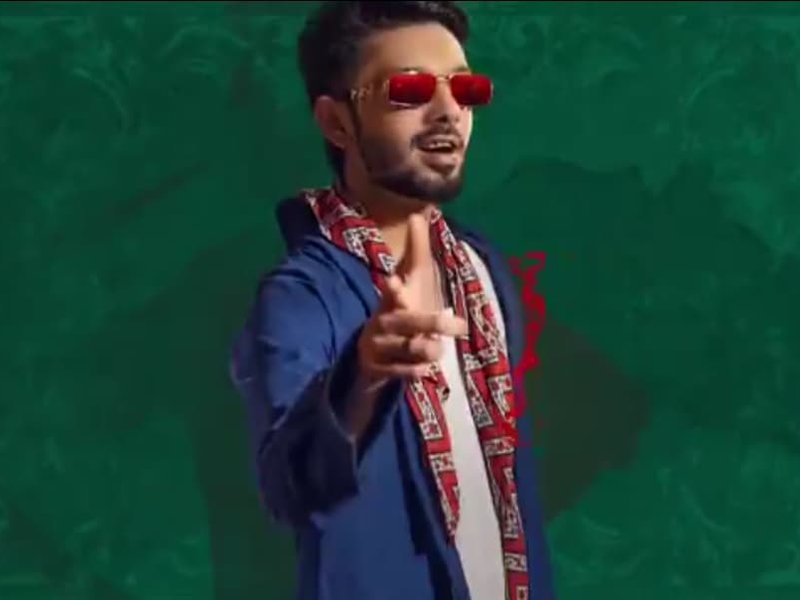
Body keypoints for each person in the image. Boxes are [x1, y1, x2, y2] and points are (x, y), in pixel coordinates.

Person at [229, 2, 555, 598]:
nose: (449, 111)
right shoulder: (301, 296)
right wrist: (363, 377)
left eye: (466, 89)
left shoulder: (482, 270)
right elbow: (288, 489)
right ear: (337, 123)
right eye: (409, 90)